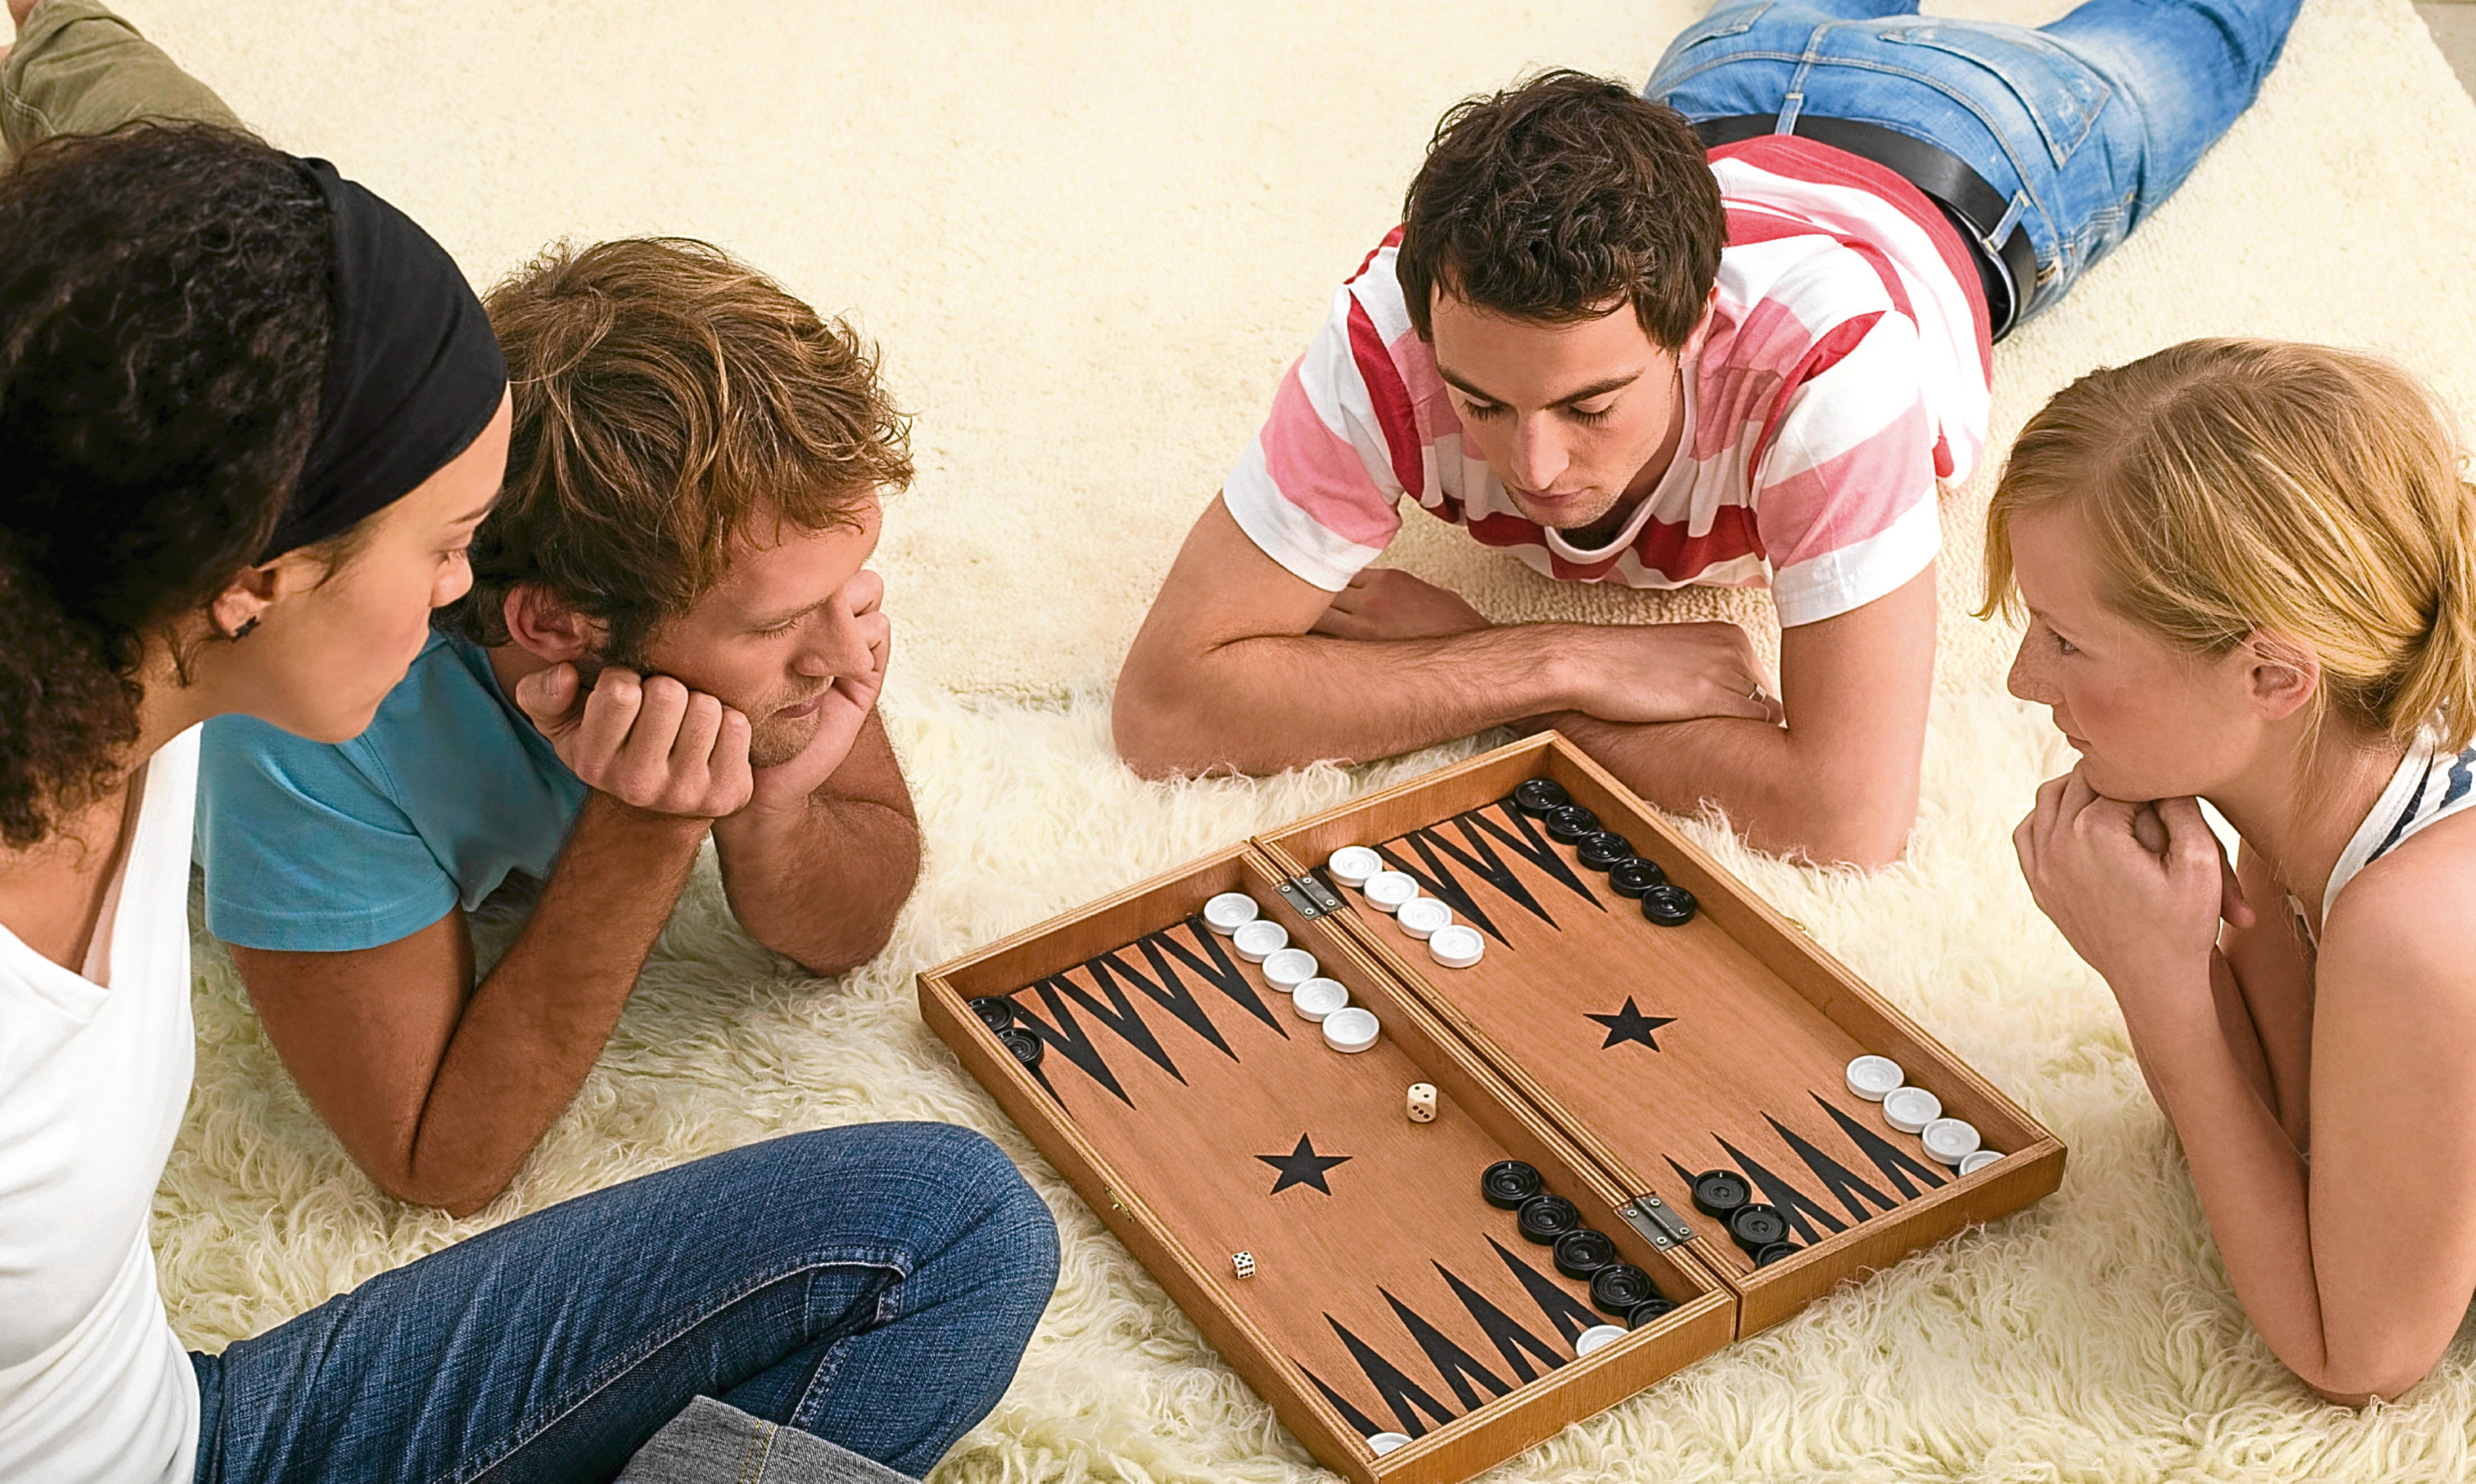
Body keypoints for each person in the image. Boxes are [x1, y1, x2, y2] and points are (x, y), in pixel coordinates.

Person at [0, 12, 1053, 1484]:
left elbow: (181, 204)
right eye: (442, 545)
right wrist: (646, 824)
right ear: (257, 577)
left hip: (175, 1421)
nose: (461, 592)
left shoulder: (154, 599)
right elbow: (435, 1155)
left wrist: (60, 31)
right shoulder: (279, 736)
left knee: (952, 1220)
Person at [1113, 0, 2302, 867]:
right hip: (1723, 80)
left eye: (1590, 405)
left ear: (1696, 329)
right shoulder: (1391, 325)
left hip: (1979, 141)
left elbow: (1846, 818)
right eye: (1481, 403)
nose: (1532, 470)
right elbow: (1166, 711)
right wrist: (1541, 659)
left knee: (2216, 16)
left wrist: (1466, 678)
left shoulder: (1826, 368)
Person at [197, 234, 922, 1216]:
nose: (846, 654)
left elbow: (853, 927)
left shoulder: (772, 600)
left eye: (853, 581)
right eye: (781, 621)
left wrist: (775, 801)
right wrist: (649, 823)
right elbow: (436, 1163)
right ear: (557, 626)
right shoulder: (308, 718)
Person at [1998, 338, 2476, 1406]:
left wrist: (2161, 985)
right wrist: (2188, 955)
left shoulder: (2421, 923)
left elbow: (2358, 1354)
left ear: (2270, 673)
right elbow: (2304, 1141)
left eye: (2068, 642)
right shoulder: (2323, 771)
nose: (2025, 679)